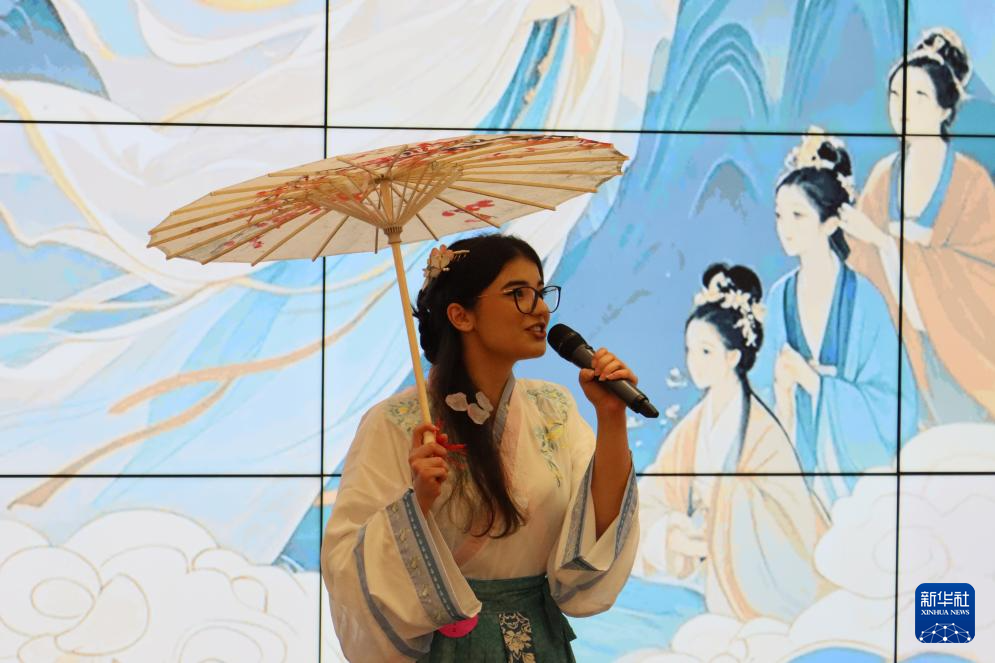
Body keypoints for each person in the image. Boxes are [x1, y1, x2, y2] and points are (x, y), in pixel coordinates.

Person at [321, 233, 640, 662]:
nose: (541, 309)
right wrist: (417, 502)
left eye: (541, 292)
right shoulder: (394, 423)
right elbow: (345, 563)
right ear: (461, 315)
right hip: (446, 648)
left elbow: (597, 530)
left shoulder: (554, 407)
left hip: (538, 642)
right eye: (518, 293)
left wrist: (612, 418)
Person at [638, 263, 831, 623]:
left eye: (705, 351)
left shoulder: (761, 431)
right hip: (706, 559)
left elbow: (786, 513)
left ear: (733, 356)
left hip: (760, 571)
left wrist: (720, 524)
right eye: (690, 350)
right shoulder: (694, 426)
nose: (694, 362)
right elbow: (655, 492)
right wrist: (670, 534)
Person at [752, 131, 917, 506]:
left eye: (798, 215)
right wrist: (782, 390)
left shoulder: (865, 299)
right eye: (779, 215)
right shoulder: (779, 297)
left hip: (854, 481)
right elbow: (760, 392)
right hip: (795, 464)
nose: (785, 228)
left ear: (830, 223)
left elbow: (895, 405)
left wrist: (816, 382)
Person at [840, 27, 995, 425]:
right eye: (896, 95)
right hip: (898, 344)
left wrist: (884, 242)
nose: (902, 108)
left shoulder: (971, 181)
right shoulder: (883, 177)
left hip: (960, 353)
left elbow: (983, 276)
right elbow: (860, 269)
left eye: (918, 96)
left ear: (945, 108)